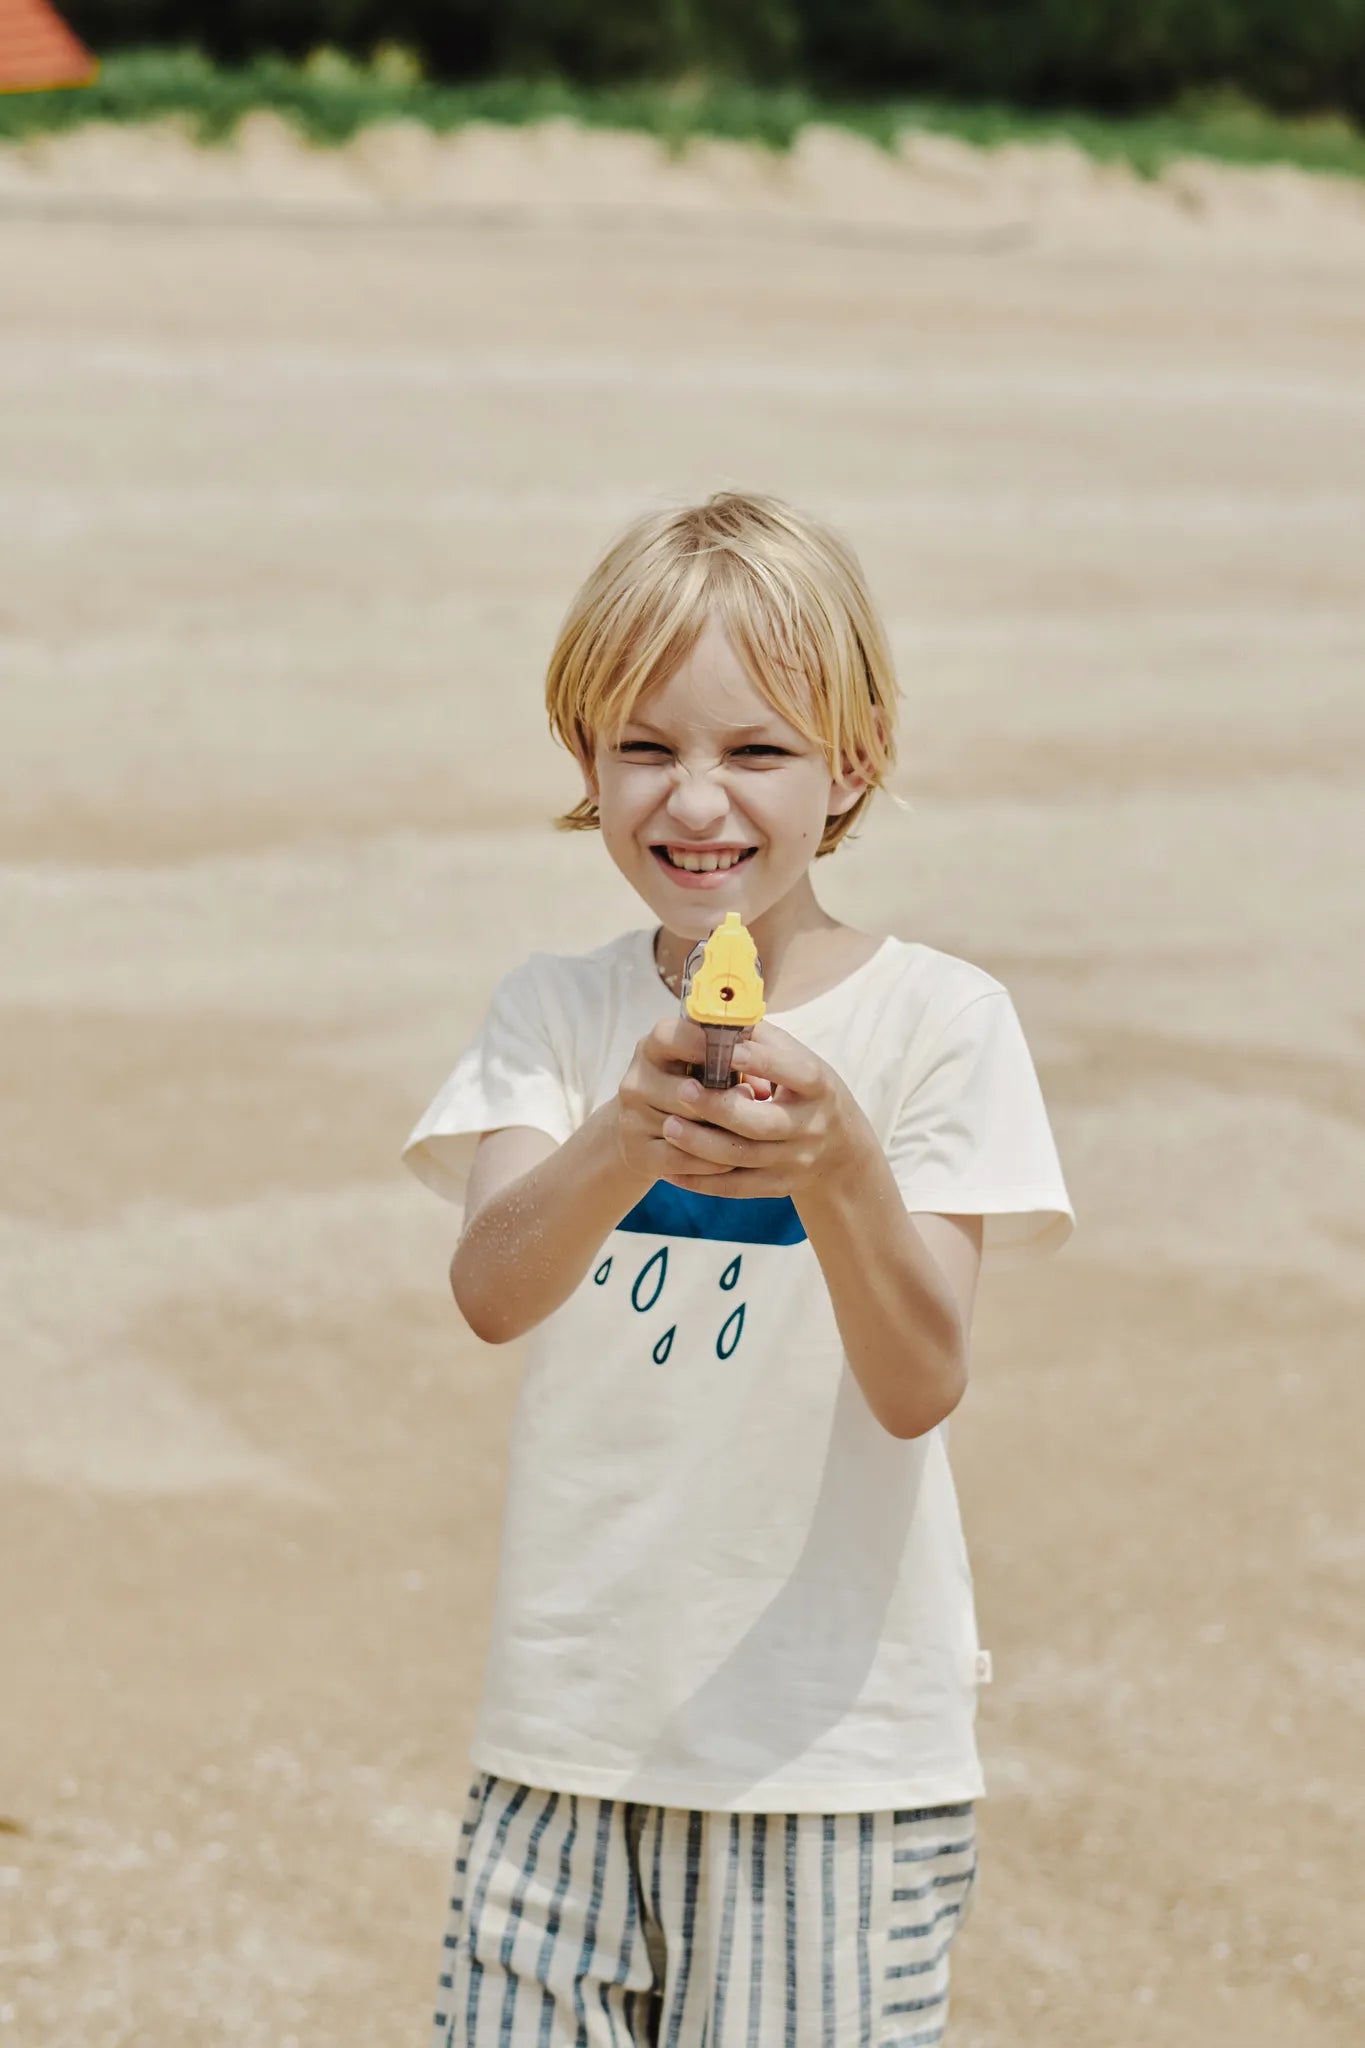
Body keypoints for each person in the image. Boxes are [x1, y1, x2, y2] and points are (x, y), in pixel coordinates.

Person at [402, 491, 1075, 2047]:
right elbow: (494, 1289)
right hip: (567, 1729)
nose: (695, 801)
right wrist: (624, 1129)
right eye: (645, 746)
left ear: (855, 762)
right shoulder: (553, 1015)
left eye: (756, 751)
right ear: (585, 760)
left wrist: (839, 1164)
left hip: (825, 1754)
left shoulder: (939, 1024)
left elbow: (918, 1384)